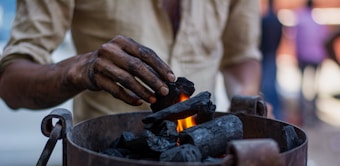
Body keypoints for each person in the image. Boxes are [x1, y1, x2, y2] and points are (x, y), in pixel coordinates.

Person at [0, 0, 262, 123]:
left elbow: (240, 57)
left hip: (203, 163)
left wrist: (246, 99)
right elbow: (11, 82)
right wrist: (79, 70)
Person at [294, 0, 330, 126]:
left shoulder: (300, 19)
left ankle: (303, 115)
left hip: (304, 56)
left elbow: (296, 39)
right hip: (316, 57)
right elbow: (324, 40)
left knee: (302, 87)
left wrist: (297, 56)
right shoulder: (317, 21)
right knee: (315, 87)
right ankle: (313, 114)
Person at [259, 0, 283, 120]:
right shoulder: (277, 20)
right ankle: (276, 115)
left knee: (267, 88)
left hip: (265, 55)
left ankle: (271, 115)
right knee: (272, 86)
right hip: (272, 55)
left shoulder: (265, 20)